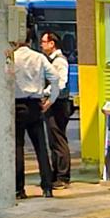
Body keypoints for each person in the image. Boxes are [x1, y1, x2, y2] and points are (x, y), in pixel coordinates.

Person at [13, 34, 59, 199]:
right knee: (41, 148)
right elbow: (55, 77)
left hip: (16, 106)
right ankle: (47, 188)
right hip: (35, 105)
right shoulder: (39, 57)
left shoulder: (12, 58)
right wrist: (50, 98)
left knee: (17, 148)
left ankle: (19, 190)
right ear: (30, 41)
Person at [40, 31, 72, 189]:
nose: (42, 45)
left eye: (44, 42)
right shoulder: (51, 60)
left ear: (52, 44)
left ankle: (62, 176)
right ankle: (56, 173)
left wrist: (45, 93)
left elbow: (60, 83)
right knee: (53, 139)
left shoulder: (60, 61)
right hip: (54, 103)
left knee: (58, 139)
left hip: (58, 104)